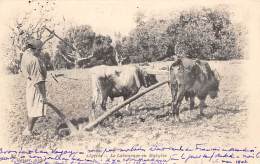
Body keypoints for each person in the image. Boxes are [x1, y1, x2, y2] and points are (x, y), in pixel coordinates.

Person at [20, 39, 48, 136]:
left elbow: (23, 69)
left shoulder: (26, 54)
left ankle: (28, 129)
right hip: (36, 87)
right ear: (34, 49)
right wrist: (43, 96)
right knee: (35, 110)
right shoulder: (34, 61)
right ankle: (28, 131)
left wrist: (47, 38)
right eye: (39, 50)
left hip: (30, 83)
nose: (40, 52)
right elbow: (38, 81)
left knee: (32, 108)